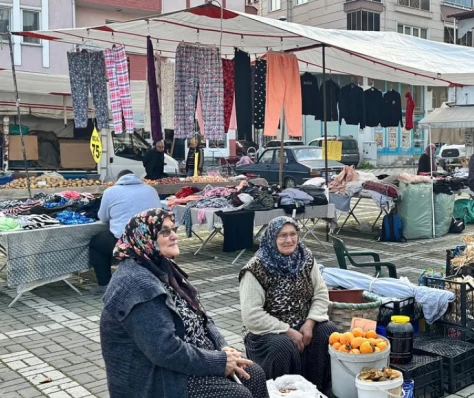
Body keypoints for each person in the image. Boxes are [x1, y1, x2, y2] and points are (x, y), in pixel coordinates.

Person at [100, 210, 267, 398]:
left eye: (173, 229)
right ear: (143, 237)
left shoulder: (160, 266)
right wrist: (219, 362)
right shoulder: (137, 283)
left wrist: (222, 347)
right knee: (236, 395)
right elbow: (165, 351)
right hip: (156, 377)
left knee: (254, 375)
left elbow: (200, 317)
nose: (174, 236)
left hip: (183, 360)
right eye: (164, 232)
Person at [239, 216, 337, 391]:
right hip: (267, 332)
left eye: (293, 234)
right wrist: (287, 331)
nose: (289, 240)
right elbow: (251, 315)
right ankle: (281, 393)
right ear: (271, 238)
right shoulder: (256, 268)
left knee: (328, 331)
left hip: (303, 324)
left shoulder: (305, 257)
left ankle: (317, 390)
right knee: (283, 347)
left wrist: (310, 322)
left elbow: (321, 293)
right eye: (282, 235)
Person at [89, 170, 160, 294]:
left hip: (125, 241)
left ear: (118, 179)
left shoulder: (110, 192)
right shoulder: (151, 189)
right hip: (152, 239)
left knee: (96, 243)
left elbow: (103, 217)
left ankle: (104, 284)